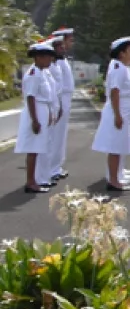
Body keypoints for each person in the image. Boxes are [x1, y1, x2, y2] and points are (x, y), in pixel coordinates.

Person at [92, 36, 130, 191]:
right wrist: (118, 115)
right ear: (122, 54)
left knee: (119, 145)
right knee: (115, 147)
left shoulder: (122, 67)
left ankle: (116, 176)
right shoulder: (119, 68)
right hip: (119, 110)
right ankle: (113, 180)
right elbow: (115, 92)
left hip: (123, 109)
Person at [18, 41, 59, 193]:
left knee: (39, 148)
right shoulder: (33, 74)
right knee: (33, 149)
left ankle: (34, 180)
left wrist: (48, 114)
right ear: (38, 58)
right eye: (47, 57)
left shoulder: (41, 72)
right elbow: (31, 97)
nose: (50, 60)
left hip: (42, 111)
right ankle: (30, 182)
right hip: (35, 112)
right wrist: (35, 120)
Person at [45, 28, 74, 182]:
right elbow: (57, 85)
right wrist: (61, 104)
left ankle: (56, 166)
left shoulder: (62, 60)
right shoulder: (55, 62)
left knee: (61, 136)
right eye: (65, 42)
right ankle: (51, 168)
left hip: (64, 98)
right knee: (55, 136)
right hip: (59, 99)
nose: (67, 45)